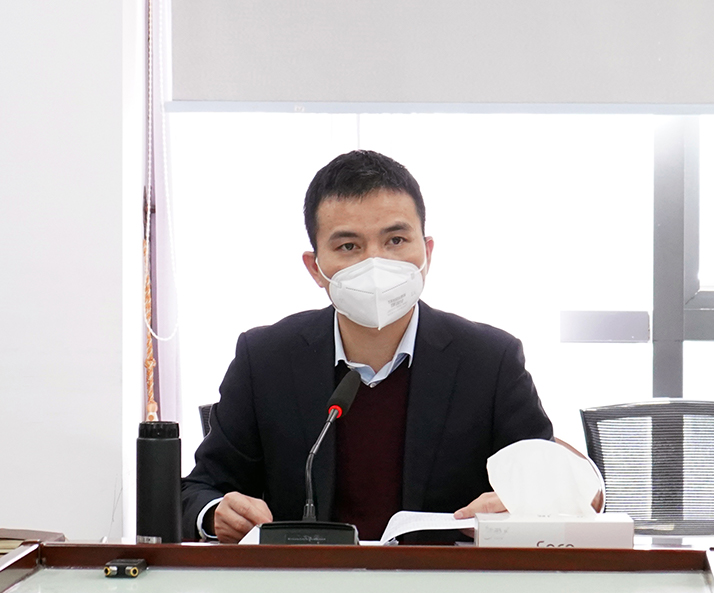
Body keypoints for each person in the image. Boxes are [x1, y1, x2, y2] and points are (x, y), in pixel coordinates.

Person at [181, 150, 558, 543]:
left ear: (427, 252)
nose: (375, 263)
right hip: (309, 576)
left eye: (396, 240)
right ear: (315, 268)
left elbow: (553, 488)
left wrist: (523, 505)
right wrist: (215, 514)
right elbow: (200, 489)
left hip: (443, 576)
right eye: (349, 246)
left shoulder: (490, 360)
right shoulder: (265, 359)